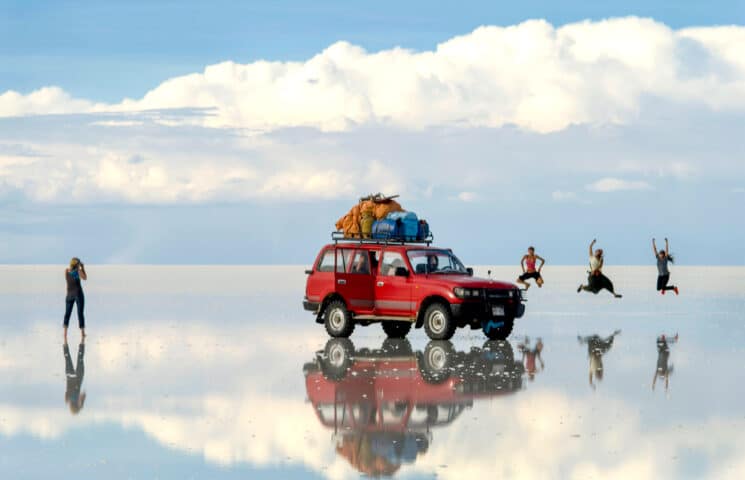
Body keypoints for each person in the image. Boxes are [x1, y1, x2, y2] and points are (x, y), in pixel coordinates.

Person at [64, 257, 87, 339]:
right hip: (78, 294)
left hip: (69, 294)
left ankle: (65, 334)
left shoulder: (66, 271)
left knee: (67, 314)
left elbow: (68, 281)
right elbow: (85, 278)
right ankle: (82, 333)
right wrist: (82, 268)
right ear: (77, 264)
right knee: (80, 313)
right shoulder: (78, 271)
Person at [64, 338, 86, 414]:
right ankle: (65, 340)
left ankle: (82, 341)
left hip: (78, 377)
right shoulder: (68, 400)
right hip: (70, 377)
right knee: (67, 358)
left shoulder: (75, 399)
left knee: (80, 357)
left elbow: (83, 394)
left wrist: (81, 404)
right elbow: (82, 394)